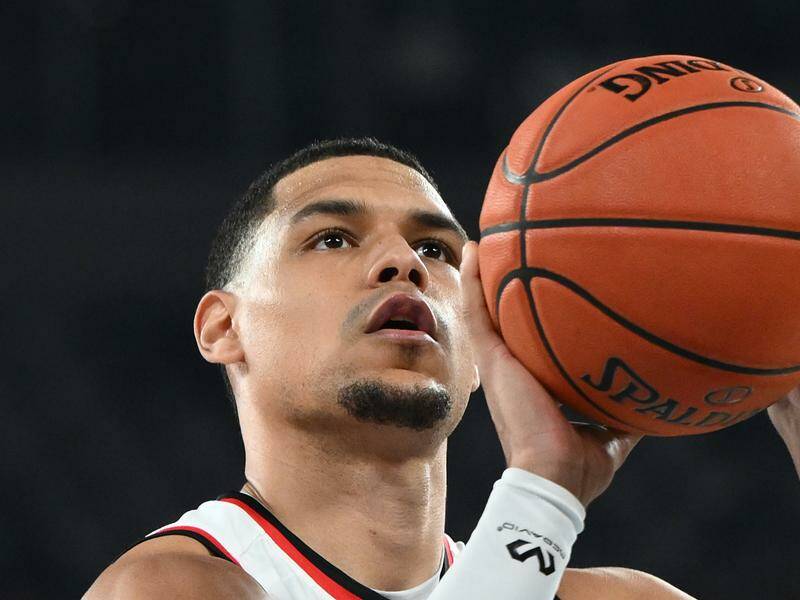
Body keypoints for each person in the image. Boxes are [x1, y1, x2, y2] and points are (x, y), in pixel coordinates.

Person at [85, 138, 800, 599]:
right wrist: (543, 496)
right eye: (332, 238)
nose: (404, 263)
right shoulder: (172, 585)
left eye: (438, 251)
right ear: (223, 327)